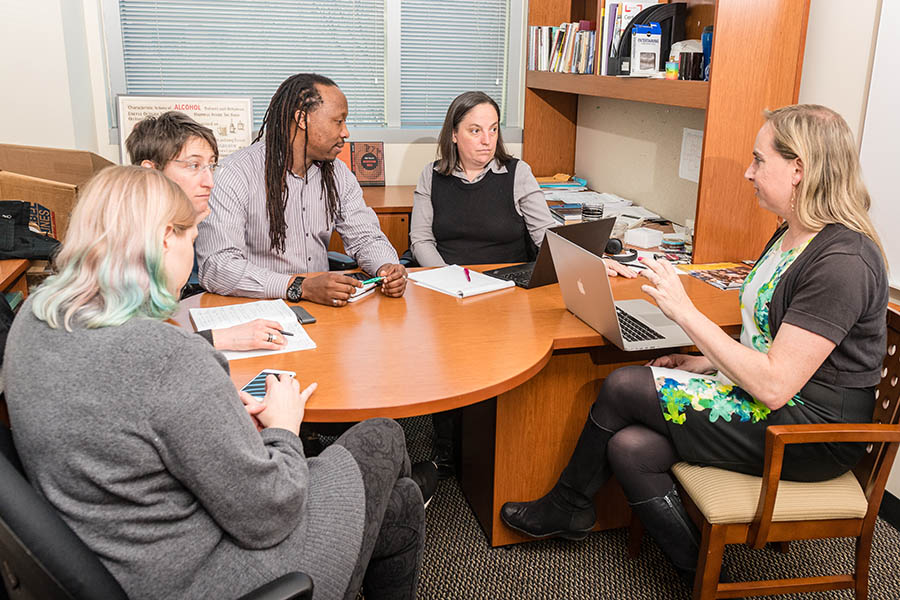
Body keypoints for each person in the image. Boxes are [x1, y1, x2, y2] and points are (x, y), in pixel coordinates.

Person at [499, 104, 888, 588]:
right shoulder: (792, 233)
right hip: (779, 400)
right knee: (630, 447)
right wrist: (701, 361)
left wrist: (684, 313)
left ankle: (569, 505)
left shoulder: (843, 261)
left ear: (799, 170)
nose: (748, 172)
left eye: (758, 160)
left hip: (810, 431)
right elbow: (768, 339)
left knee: (623, 385)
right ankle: (705, 573)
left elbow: (774, 383)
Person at [3, 166, 425, 600]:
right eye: (193, 238)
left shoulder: (31, 319)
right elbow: (269, 515)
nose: (194, 255)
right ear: (166, 237)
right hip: (213, 575)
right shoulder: (167, 357)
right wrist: (284, 427)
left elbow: (126, 418)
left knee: (402, 503)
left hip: (114, 551)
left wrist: (212, 415)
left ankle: (387, 508)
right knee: (384, 435)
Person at [409, 91, 636, 478]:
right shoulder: (431, 176)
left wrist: (594, 261)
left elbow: (546, 234)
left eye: (493, 130)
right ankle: (446, 449)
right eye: (475, 130)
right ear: (453, 135)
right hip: (447, 287)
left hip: (506, 289)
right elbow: (421, 241)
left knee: (504, 360)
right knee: (444, 355)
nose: (486, 140)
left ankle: (495, 447)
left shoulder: (517, 173)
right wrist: (445, 278)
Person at [196, 73, 408, 307]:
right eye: (338, 121)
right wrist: (298, 286)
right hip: (258, 306)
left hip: (325, 307)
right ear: (302, 119)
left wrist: (387, 266)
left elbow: (365, 237)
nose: (345, 132)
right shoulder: (236, 173)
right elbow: (217, 265)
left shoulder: (337, 173)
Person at [126, 111, 287, 352]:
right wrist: (225, 338)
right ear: (151, 172)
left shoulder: (189, 222)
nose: (209, 181)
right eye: (194, 165)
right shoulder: (130, 241)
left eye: (211, 165)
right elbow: (133, 347)